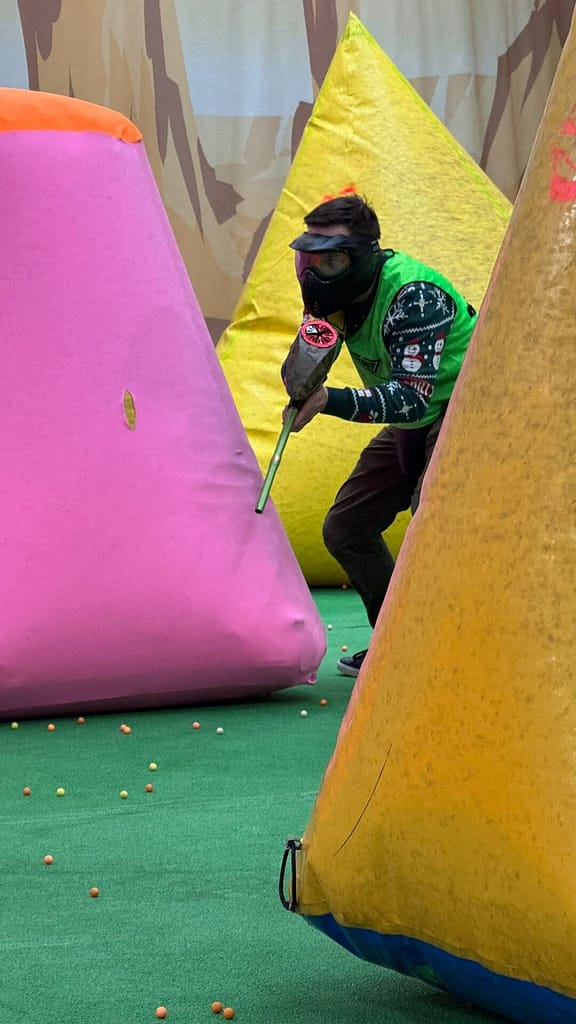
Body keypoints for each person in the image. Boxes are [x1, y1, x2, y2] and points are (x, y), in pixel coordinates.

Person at [286, 192, 478, 677]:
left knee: (432, 527)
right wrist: (305, 366)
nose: (315, 273)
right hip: (417, 420)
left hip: (467, 411)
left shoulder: (414, 296)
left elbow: (411, 398)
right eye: (309, 259)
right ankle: (400, 645)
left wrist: (328, 400)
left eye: (331, 261)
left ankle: (457, 653)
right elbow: (309, 366)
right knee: (346, 528)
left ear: (363, 257)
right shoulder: (336, 297)